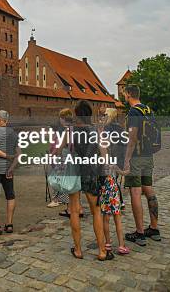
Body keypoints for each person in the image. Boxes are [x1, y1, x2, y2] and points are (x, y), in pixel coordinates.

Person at [65, 101, 112, 261]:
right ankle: (101, 251)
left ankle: (78, 250)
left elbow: (58, 150)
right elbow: (103, 152)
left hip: (75, 171)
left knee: (74, 210)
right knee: (96, 211)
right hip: (91, 171)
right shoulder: (95, 130)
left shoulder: (70, 131)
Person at [121, 85, 161, 247]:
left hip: (136, 157)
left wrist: (126, 159)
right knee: (149, 189)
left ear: (129, 94)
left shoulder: (133, 112)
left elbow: (132, 138)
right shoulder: (148, 110)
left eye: (124, 94)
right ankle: (154, 228)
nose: (124, 96)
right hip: (148, 155)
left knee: (135, 193)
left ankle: (139, 233)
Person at [98, 111, 129, 255]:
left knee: (106, 216)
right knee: (116, 216)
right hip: (111, 184)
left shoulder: (100, 140)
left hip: (104, 184)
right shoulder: (106, 141)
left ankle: (108, 243)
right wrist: (122, 171)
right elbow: (109, 164)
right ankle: (121, 245)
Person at [56, 108, 85, 218]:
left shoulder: (67, 130)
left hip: (68, 159)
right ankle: (80, 208)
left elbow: (61, 147)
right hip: (78, 159)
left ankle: (70, 209)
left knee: (68, 185)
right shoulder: (78, 128)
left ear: (63, 118)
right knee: (77, 185)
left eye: (61, 118)